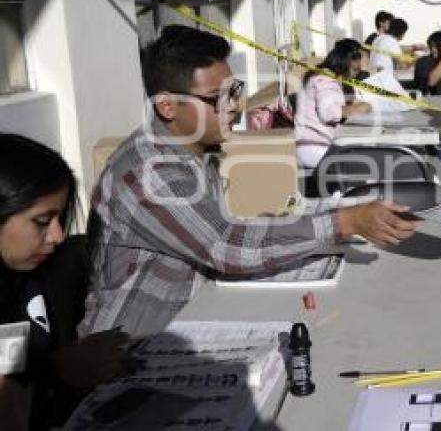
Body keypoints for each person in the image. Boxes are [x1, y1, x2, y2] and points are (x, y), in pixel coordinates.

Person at [80, 26, 417, 338]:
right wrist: (345, 221)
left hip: (189, 323)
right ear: (168, 105)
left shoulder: (195, 151)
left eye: (235, 91)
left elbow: (221, 228)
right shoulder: (148, 172)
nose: (235, 106)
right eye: (218, 98)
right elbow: (226, 245)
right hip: (129, 354)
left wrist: (341, 211)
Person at [0, 134, 131, 430]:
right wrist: (60, 368)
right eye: (42, 222)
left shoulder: (25, 278)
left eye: (59, 219)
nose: (58, 236)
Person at [296, 39, 372, 168]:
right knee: (369, 161)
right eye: (355, 69)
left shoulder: (326, 77)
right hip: (316, 146)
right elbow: (329, 113)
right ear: (347, 62)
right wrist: (359, 108)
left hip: (314, 145)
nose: (355, 74)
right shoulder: (325, 80)